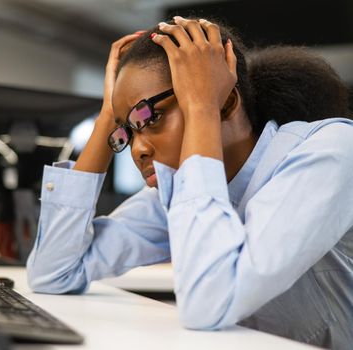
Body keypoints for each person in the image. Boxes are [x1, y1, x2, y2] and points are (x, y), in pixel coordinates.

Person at [26, 16, 353, 349]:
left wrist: (201, 108)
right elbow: (54, 273)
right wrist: (109, 116)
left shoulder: (329, 150)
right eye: (127, 131)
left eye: (148, 117)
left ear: (225, 102)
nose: (137, 149)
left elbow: (208, 304)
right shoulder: (179, 190)